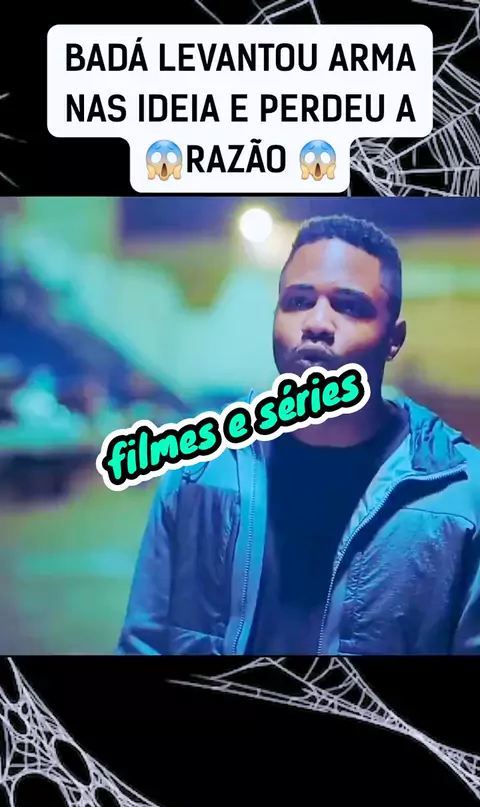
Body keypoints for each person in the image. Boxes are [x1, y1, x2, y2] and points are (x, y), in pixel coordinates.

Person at [116, 214, 480, 655]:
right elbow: (144, 645)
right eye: (299, 301)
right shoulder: (199, 470)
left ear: (393, 339)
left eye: (349, 306)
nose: (317, 323)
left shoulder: (461, 498)